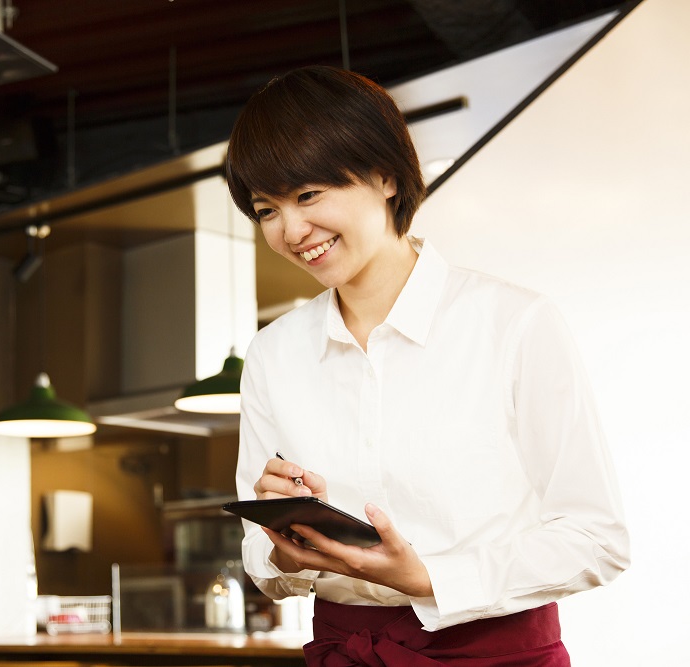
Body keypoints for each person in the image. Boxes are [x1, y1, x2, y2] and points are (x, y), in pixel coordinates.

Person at [225, 65, 629, 666]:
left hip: (497, 656)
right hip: (344, 650)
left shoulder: (514, 322)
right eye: (266, 210)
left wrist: (431, 578)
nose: (292, 230)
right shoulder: (272, 353)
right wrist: (285, 549)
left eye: (308, 195)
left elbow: (597, 539)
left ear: (386, 175)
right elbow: (261, 562)